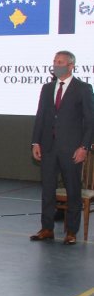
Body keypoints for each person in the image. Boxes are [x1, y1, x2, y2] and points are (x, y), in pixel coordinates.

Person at [30, 50, 94, 245]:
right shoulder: (47, 88)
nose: (55, 65)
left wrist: (84, 147)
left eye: (60, 62)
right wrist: (35, 142)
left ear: (70, 66)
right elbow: (41, 116)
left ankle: (71, 231)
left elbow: (90, 121)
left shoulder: (83, 88)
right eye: (54, 61)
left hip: (72, 148)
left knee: (73, 189)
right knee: (47, 189)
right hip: (48, 147)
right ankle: (47, 228)